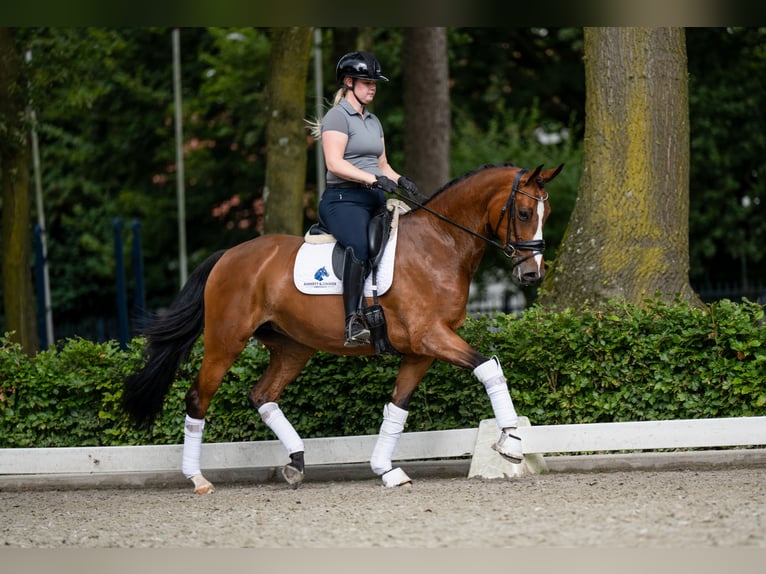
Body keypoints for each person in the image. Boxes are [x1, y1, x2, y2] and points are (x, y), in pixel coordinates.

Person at [316, 51, 419, 347]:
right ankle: (353, 321)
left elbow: (383, 165)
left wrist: (401, 180)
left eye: (374, 82)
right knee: (360, 246)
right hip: (343, 200)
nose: (372, 87)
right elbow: (334, 163)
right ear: (348, 82)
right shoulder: (337, 117)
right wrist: (373, 179)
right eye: (365, 82)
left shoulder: (373, 121)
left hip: (374, 198)